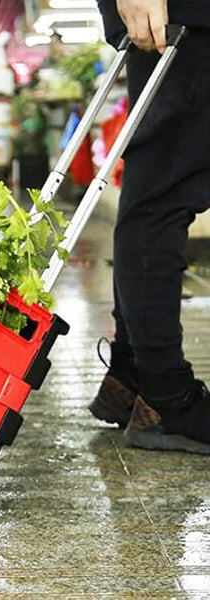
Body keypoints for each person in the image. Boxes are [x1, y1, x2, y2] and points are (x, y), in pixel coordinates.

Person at [90, 0, 210, 453]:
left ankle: (133, 372)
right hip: (183, 14)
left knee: (161, 188)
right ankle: (167, 400)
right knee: (163, 195)